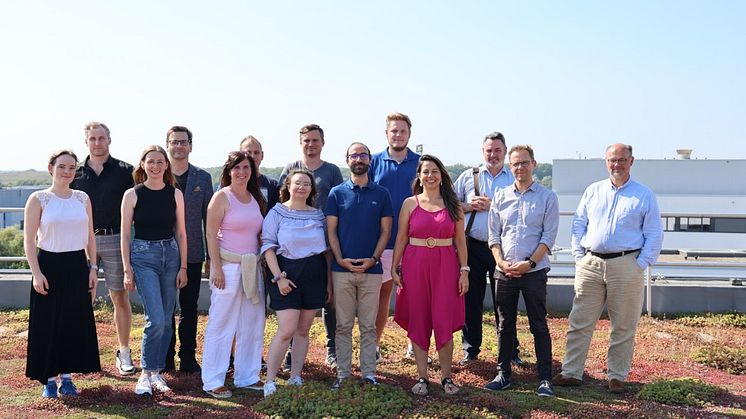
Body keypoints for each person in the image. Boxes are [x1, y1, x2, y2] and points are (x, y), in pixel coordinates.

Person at [553, 143, 663, 393]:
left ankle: (617, 376)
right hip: (590, 263)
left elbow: (654, 234)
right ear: (606, 162)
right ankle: (571, 372)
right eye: (613, 160)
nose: (617, 165)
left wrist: (640, 264)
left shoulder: (644, 195)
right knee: (579, 320)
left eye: (622, 160)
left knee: (623, 325)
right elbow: (579, 223)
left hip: (627, 264)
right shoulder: (593, 191)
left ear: (631, 161)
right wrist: (579, 255)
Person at [483, 145, 559, 397]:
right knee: (505, 325)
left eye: (524, 163)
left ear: (534, 164)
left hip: (534, 272)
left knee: (538, 324)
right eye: (515, 164)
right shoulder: (502, 197)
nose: (519, 168)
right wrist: (501, 263)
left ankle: (545, 379)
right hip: (504, 271)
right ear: (509, 166)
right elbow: (493, 236)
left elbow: (548, 237)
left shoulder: (547, 197)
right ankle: (503, 374)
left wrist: (530, 263)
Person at [24, 150, 101, 398]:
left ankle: (67, 378)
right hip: (48, 265)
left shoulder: (82, 198)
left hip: (77, 265)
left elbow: (90, 236)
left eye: (71, 167)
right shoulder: (38, 199)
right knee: (48, 324)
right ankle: (48, 380)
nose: (67, 171)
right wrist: (36, 273)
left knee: (72, 322)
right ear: (51, 167)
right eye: (62, 166)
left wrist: (92, 268)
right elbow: (28, 241)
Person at [392, 154, 469, 396]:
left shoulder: (453, 205)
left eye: (435, 171)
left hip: (446, 266)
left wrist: (464, 271)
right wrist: (395, 267)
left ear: (442, 175)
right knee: (419, 319)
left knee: (443, 319)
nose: (430, 175)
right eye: (426, 171)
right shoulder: (409, 203)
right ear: (419, 176)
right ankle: (422, 377)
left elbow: (460, 241)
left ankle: (447, 378)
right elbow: (402, 237)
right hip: (415, 266)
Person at [120, 145, 188, 396]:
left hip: (170, 256)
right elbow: (125, 235)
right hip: (143, 256)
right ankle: (145, 373)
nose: (156, 166)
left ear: (166, 165)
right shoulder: (132, 194)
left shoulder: (175, 194)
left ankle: (156, 372)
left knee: (167, 321)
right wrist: (128, 269)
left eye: (160, 161)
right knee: (156, 319)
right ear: (143, 165)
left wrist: (183, 266)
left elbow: (181, 232)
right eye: (151, 161)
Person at [325, 142, 393, 390]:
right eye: (354, 155)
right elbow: (330, 230)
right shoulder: (336, 193)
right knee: (342, 326)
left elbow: (386, 231)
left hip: (372, 270)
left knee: (368, 325)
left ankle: (369, 375)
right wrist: (340, 258)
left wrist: (374, 259)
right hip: (341, 270)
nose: (359, 159)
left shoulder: (381, 194)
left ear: (369, 160)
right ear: (347, 160)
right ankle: (342, 375)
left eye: (363, 155)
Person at [454, 131, 525, 366]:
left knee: (504, 301)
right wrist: (467, 205)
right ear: (482, 152)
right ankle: (471, 350)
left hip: (503, 250)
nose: (493, 155)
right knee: (471, 300)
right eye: (488, 151)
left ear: (505, 152)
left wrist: (493, 205)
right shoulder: (468, 176)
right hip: (472, 246)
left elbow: (522, 208)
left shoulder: (513, 177)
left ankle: (510, 352)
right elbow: (448, 204)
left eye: (497, 150)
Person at [71, 122, 136, 376]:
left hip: (115, 239)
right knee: (81, 297)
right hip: (81, 241)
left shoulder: (125, 171)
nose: (97, 143)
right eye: (92, 139)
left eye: (101, 138)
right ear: (86, 141)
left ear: (109, 140)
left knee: (119, 296)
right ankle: (80, 352)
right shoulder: (74, 173)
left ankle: (124, 351)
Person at [201, 151, 267, 398]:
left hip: (252, 268)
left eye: (246, 167)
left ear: (252, 171)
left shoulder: (254, 197)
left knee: (252, 323)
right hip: (227, 267)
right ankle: (213, 380)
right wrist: (215, 267)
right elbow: (210, 235)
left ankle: (247, 376)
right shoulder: (222, 197)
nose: (242, 172)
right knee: (221, 324)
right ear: (229, 171)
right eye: (237, 167)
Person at [261, 168, 332, 398]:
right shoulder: (277, 212)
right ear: (288, 186)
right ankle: (270, 380)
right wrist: (279, 278)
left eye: (306, 184)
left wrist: (328, 283)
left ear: (311, 189)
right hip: (285, 273)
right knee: (287, 329)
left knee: (303, 329)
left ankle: (295, 376)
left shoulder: (318, 215)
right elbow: (268, 247)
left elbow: (327, 252)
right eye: (297, 183)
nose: (302, 187)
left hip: (314, 273)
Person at [278, 124, 342, 370]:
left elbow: (339, 203)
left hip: (325, 244)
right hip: (295, 250)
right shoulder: (291, 169)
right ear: (300, 142)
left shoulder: (332, 171)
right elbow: (282, 203)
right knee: (295, 305)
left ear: (322, 143)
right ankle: (292, 354)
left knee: (329, 299)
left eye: (315, 140)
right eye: (306, 140)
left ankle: (332, 350)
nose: (311, 144)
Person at [368, 112, 421, 362]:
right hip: (384, 243)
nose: (398, 135)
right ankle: (375, 346)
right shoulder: (373, 162)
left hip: (417, 242)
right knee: (382, 296)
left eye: (402, 131)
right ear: (386, 133)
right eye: (394, 131)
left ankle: (415, 345)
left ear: (409, 134)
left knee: (416, 296)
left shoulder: (421, 164)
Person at [165, 126, 214, 373]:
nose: (179, 146)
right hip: (162, 251)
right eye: (174, 142)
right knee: (165, 308)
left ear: (190, 146)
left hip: (193, 252)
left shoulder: (203, 179)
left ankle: (187, 357)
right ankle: (165, 357)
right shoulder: (157, 175)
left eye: (183, 142)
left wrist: (210, 257)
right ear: (168, 145)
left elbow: (210, 221)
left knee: (189, 307)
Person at [240, 135, 280, 211]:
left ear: (262, 155)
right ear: (240, 155)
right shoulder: (230, 183)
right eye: (248, 152)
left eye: (256, 152)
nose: (252, 156)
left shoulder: (272, 185)